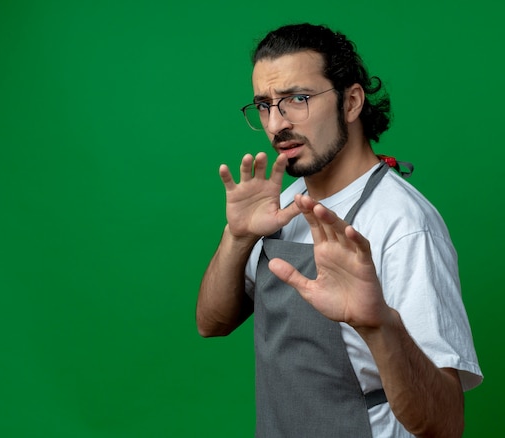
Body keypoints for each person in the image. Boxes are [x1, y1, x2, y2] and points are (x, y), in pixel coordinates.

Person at [196, 23, 483, 438]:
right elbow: (212, 323)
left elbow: (446, 424)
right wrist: (238, 237)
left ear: (351, 102)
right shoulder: (281, 204)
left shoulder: (403, 224)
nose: (277, 124)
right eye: (264, 105)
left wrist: (378, 325)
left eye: (298, 99)